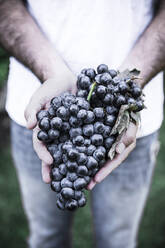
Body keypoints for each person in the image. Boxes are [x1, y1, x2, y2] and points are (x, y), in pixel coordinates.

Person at [0, 0, 165, 247]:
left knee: (118, 240)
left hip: (128, 121)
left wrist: (126, 86)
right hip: (38, 113)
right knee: (46, 238)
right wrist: (54, 74)